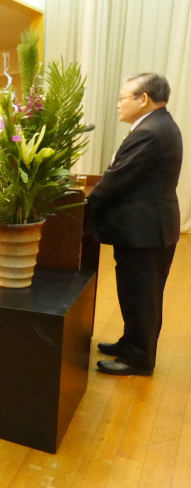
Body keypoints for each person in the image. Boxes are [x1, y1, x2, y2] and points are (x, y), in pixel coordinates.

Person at [88, 73, 183, 377]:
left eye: (122, 98)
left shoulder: (152, 132)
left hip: (146, 231)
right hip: (144, 229)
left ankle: (138, 359)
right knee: (135, 293)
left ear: (143, 99)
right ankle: (131, 343)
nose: (118, 104)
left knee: (142, 297)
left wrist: (86, 205)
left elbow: (119, 177)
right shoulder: (156, 125)